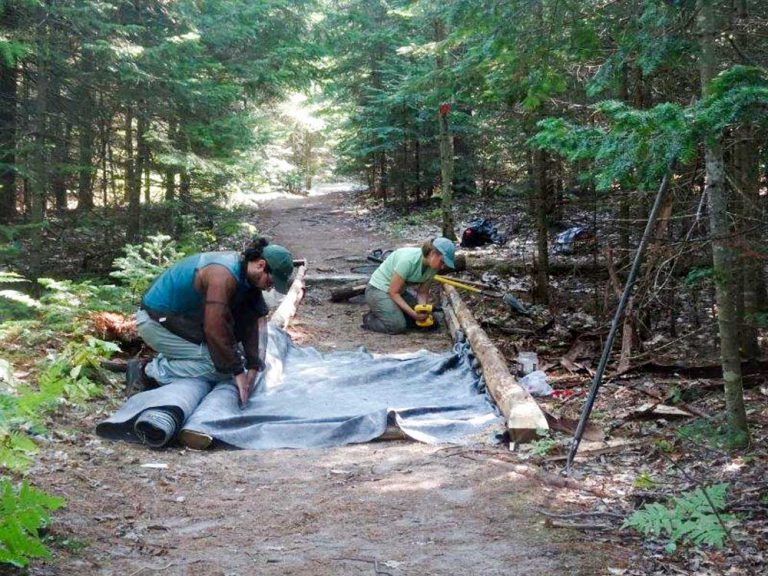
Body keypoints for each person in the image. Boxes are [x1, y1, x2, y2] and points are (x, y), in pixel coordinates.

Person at [127, 238, 295, 406]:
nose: (268, 287)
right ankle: (147, 371)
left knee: (233, 358)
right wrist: (237, 372)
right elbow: (214, 328)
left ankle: (177, 359)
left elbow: (250, 322)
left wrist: (253, 365)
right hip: (155, 321)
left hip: (182, 321)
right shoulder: (222, 275)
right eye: (270, 282)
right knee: (219, 369)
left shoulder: (247, 277)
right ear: (260, 265)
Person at [362, 237, 455, 334]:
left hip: (398, 292)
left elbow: (422, 292)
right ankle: (370, 318)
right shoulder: (408, 261)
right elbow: (393, 292)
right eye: (442, 262)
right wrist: (413, 314)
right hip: (377, 290)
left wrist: (422, 310)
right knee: (397, 326)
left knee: (431, 322)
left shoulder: (433, 267)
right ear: (432, 254)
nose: (442, 267)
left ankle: (388, 311)